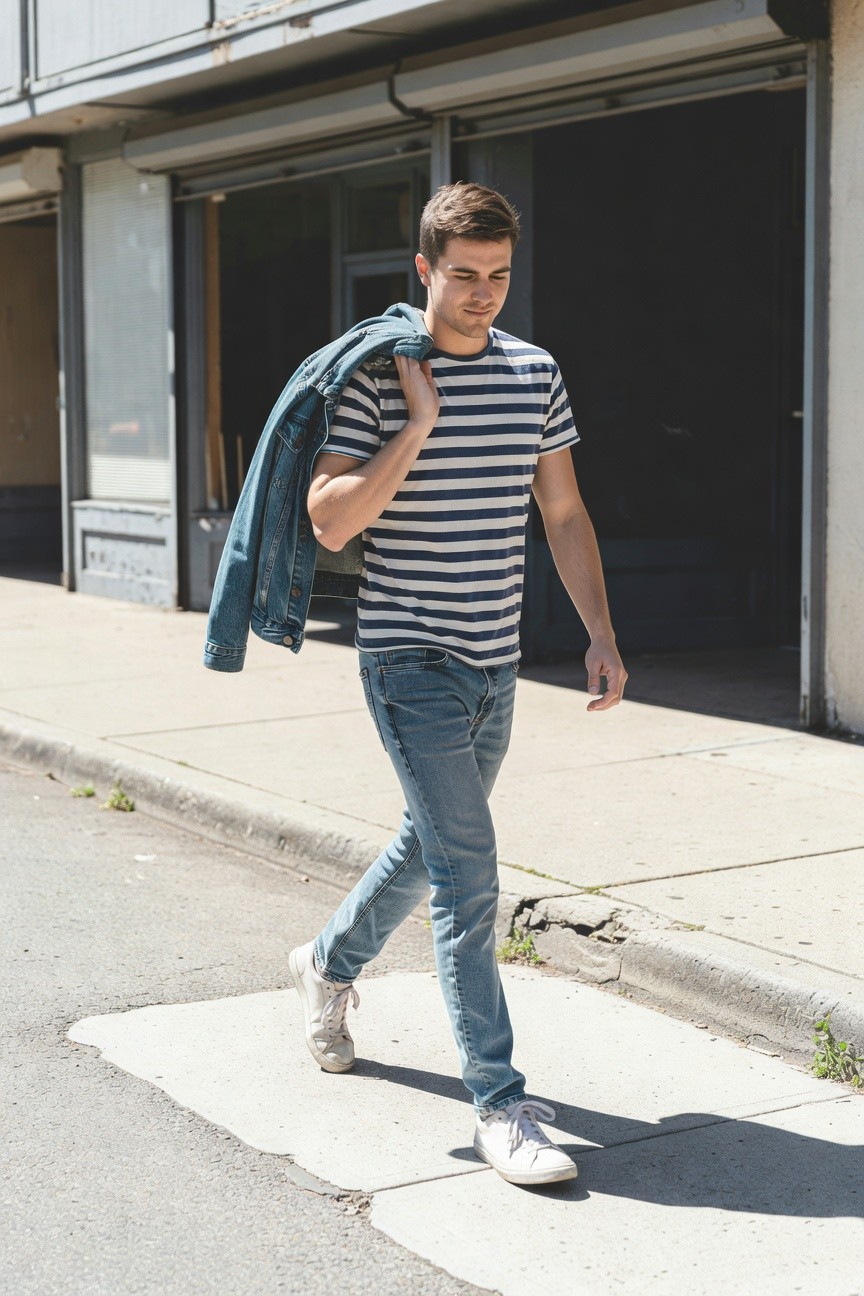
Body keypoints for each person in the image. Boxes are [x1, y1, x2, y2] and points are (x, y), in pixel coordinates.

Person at [289, 182, 627, 1187]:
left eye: (500, 276)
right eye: (465, 275)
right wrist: (416, 425)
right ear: (425, 270)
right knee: (469, 877)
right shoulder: (379, 377)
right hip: (409, 661)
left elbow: (562, 512)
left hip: (495, 660)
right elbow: (330, 519)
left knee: (429, 846)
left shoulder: (534, 372)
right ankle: (498, 1100)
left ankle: (326, 964)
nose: (484, 295)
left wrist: (601, 632)